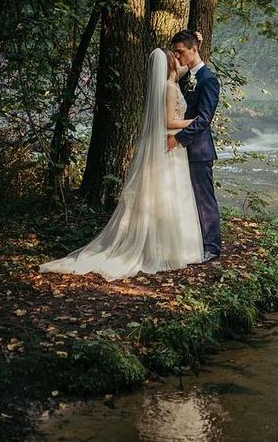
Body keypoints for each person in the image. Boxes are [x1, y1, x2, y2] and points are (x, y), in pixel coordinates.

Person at [39, 48, 203, 280]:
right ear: (168, 65)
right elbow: (168, 120)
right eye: (174, 57)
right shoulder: (168, 88)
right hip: (169, 142)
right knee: (166, 194)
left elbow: (189, 65)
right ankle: (163, 248)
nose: (179, 59)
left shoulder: (169, 82)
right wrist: (195, 121)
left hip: (169, 145)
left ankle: (171, 246)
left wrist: (197, 44)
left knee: (169, 194)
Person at [168, 29, 222, 261]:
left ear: (194, 49)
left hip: (198, 149)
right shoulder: (185, 74)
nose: (178, 57)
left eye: (181, 52)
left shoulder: (209, 80)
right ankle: (192, 243)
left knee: (204, 199)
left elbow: (204, 118)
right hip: (181, 151)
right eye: (176, 52)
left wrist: (178, 138)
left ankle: (212, 247)